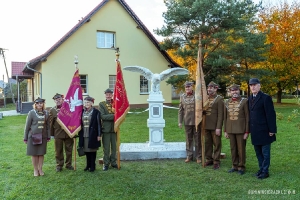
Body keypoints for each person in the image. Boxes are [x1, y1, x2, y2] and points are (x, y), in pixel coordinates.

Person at [248, 78, 276, 179]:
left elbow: (271, 115)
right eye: (251, 85)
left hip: (265, 130)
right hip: (255, 131)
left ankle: (265, 171)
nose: (253, 87)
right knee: (258, 152)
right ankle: (261, 169)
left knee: (265, 153)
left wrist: (272, 130)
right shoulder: (249, 98)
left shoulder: (265, 98)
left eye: (255, 85)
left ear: (259, 86)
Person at [224, 84, 249, 175]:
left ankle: (241, 166)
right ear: (230, 92)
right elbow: (225, 117)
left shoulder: (244, 101)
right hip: (230, 129)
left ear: (239, 91)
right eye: (232, 90)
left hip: (241, 129)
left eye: (236, 90)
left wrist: (247, 131)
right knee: (233, 148)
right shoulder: (226, 102)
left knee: (241, 149)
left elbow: (247, 117)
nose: (234, 92)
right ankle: (234, 165)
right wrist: (225, 130)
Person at [24, 97, 50, 176]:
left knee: (41, 153)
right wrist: (25, 137)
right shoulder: (31, 113)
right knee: (34, 154)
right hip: (32, 136)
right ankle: (35, 170)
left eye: (41, 103)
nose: (39, 105)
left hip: (43, 136)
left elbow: (48, 126)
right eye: (38, 103)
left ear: (43, 104)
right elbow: (27, 126)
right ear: (35, 104)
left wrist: (48, 136)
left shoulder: (46, 113)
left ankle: (40, 169)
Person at [49, 93, 74, 172]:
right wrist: (52, 134)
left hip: (68, 132)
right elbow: (51, 123)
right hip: (58, 133)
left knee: (69, 150)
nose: (58, 101)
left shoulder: (68, 108)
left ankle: (68, 164)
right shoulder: (52, 110)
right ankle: (59, 165)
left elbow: (73, 120)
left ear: (63, 100)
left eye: (59, 99)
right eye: (56, 100)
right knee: (58, 150)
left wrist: (74, 131)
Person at [178, 81, 202, 163]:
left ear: (192, 87)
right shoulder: (182, 97)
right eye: (186, 87)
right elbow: (180, 110)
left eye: (189, 86)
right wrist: (180, 122)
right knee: (188, 139)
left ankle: (199, 156)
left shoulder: (197, 95)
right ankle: (189, 156)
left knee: (197, 139)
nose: (187, 88)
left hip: (196, 121)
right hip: (187, 121)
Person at [78, 96, 102, 172]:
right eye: (85, 102)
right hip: (84, 133)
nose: (86, 104)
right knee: (86, 150)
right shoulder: (82, 111)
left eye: (88, 102)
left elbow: (99, 124)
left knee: (92, 150)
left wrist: (99, 135)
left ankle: (92, 165)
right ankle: (87, 165)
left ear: (92, 103)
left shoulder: (96, 112)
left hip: (93, 133)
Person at [204, 81, 224, 170]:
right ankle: (209, 159)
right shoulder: (205, 98)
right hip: (206, 125)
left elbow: (221, 115)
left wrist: (218, 127)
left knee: (217, 144)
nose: (209, 89)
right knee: (207, 143)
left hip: (215, 126)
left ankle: (216, 161)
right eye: (208, 88)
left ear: (216, 89)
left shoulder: (219, 99)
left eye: (211, 88)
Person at [99, 88, 118, 171]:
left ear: (112, 95)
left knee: (114, 147)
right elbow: (102, 116)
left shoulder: (116, 103)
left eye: (110, 94)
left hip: (114, 128)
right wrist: (114, 116)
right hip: (106, 129)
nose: (109, 95)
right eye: (107, 94)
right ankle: (106, 163)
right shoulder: (102, 104)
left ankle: (113, 162)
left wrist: (117, 116)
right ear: (105, 95)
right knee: (106, 148)